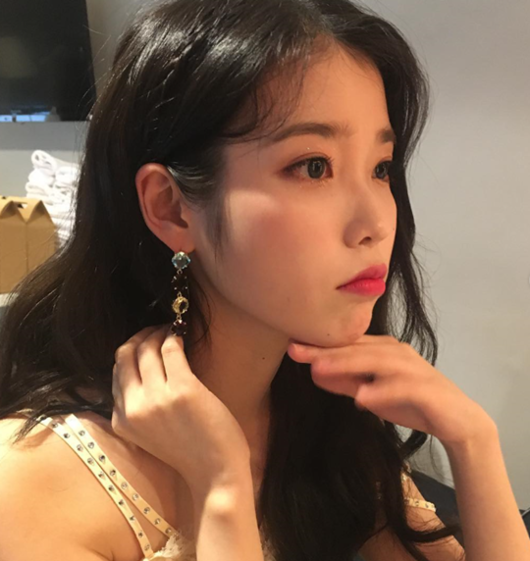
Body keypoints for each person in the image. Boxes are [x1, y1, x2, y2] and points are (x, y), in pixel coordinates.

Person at [0, 1, 528, 560]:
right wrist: (220, 489)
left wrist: (473, 440)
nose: (376, 224)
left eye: (381, 168)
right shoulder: (30, 488)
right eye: (314, 166)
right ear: (171, 208)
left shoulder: (323, 422)